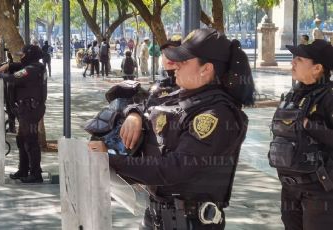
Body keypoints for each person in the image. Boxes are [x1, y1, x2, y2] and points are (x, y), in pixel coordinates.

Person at [89, 28, 255, 230]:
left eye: (184, 61)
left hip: (191, 223)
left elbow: (173, 169)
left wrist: (108, 159)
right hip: (155, 217)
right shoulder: (181, 96)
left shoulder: (216, 114)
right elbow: (146, 106)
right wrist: (134, 115)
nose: (175, 65)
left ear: (206, 69)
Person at [268, 39, 333, 230]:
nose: (293, 62)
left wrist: (308, 125)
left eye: (299, 59)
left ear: (317, 68)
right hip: (290, 187)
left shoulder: (329, 97)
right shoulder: (292, 95)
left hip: (319, 191)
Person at [0, 44, 47, 183]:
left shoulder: (33, 69)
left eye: (22, 55)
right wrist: (6, 65)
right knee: (22, 140)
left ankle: (35, 173)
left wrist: (0, 75)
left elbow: (14, 77)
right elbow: (17, 67)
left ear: (29, 55)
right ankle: (24, 169)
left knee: (31, 141)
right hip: (26, 110)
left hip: (31, 110)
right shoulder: (34, 67)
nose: (21, 57)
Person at [147, 34, 182, 107]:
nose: (169, 56)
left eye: (176, 52)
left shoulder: (189, 86)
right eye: (166, 52)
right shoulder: (160, 85)